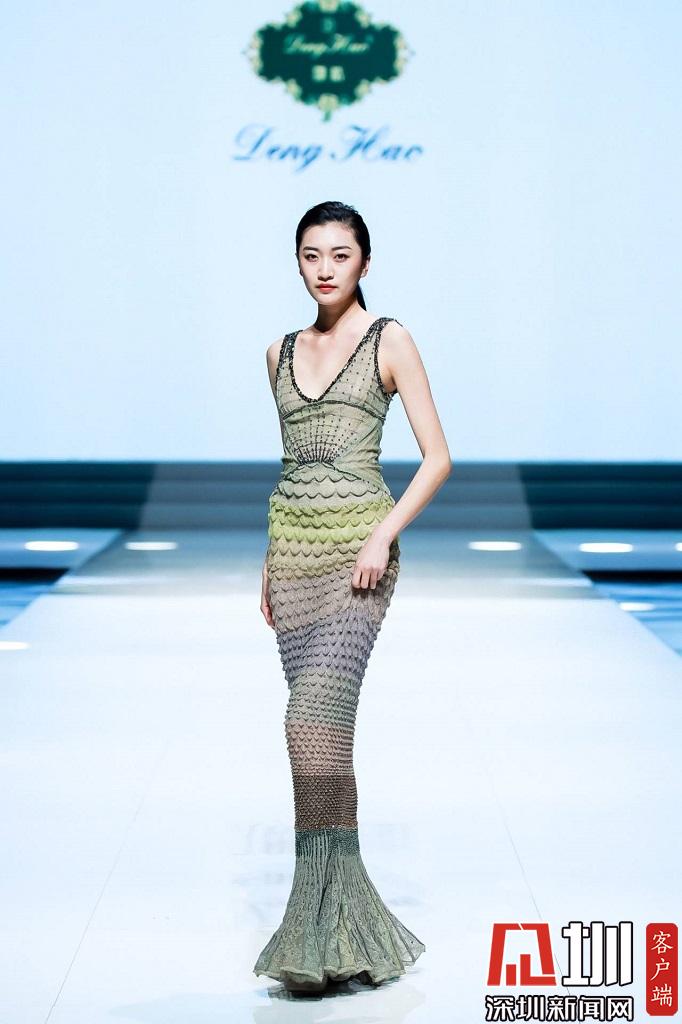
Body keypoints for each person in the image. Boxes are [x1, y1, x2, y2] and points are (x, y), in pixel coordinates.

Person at [253, 200, 452, 993]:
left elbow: (437, 458)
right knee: (326, 742)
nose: (326, 268)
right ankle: (342, 930)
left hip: (359, 561)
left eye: (341, 254)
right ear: (297, 263)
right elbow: (292, 466)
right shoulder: (278, 352)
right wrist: (268, 558)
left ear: (365, 261)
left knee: (307, 722)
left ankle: (317, 926)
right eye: (312, 254)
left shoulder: (388, 339)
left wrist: (381, 536)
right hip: (294, 555)